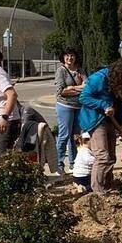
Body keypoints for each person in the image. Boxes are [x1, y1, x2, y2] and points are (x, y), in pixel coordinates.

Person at [79, 61, 122, 194]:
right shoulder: (99, 78)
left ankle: (108, 185)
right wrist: (103, 105)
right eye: (121, 81)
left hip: (111, 120)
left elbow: (121, 104)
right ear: (117, 76)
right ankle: (98, 191)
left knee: (111, 157)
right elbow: (84, 97)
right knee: (103, 156)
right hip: (94, 119)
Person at [53, 48, 85, 176]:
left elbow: (87, 85)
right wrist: (79, 88)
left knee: (75, 136)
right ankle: (59, 164)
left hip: (78, 106)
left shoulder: (80, 70)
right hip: (64, 106)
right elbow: (61, 91)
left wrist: (72, 88)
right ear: (63, 57)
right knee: (64, 134)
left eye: (72, 55)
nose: (70, 58)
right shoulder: (61, 70)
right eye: (67, 56)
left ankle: (74, 163)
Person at [18, 104, 57, 176]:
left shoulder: (27, 110)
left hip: (38, 136)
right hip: (33, 135)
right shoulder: (20, 112)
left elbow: (23, 129)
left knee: (24, 149)